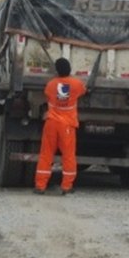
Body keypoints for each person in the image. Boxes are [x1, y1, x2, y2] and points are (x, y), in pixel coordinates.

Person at [34, 57, 87, 195]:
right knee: (68, 156)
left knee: (46, 155)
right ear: (69, 69)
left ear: (56, 70)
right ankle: (66, 186)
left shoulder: (51, 85)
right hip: (67, 125)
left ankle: (40, 185)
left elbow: (47, 95)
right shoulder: (76, 84)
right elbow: (83, 90)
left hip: (51, 123)